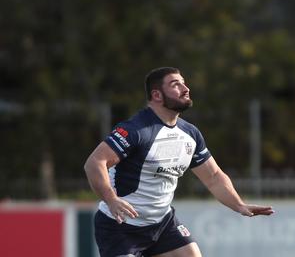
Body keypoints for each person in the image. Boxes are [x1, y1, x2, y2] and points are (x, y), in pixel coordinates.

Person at [84, 67, 274, 257]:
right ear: (157, 95)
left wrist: (239, 205)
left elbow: (214, 177)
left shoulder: (190, 134)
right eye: (175, 84)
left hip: (163, 224)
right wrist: (111, 199)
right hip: (120, 227)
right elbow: (95, 162)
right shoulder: (136, 130)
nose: (185, 88)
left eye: (184, 82)